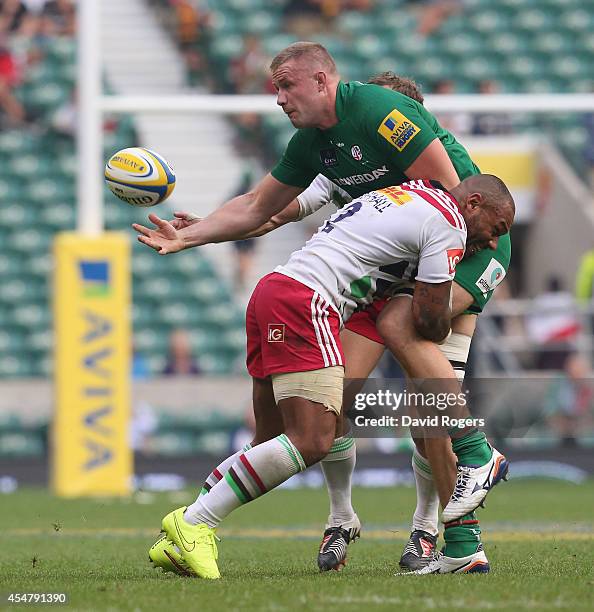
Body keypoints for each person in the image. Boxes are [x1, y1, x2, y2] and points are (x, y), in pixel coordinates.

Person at [138, 42, 512, 574]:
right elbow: (266, 209)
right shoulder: (327, 149)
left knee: (412, 356)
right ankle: (343, 516)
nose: (279, 100)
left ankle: (453, 519)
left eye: (286, 87)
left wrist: (437, 277)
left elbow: (457, 204)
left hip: (470, 249)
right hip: (387, 272)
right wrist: (194, 233)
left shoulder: (385, 119)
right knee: (335, 400)